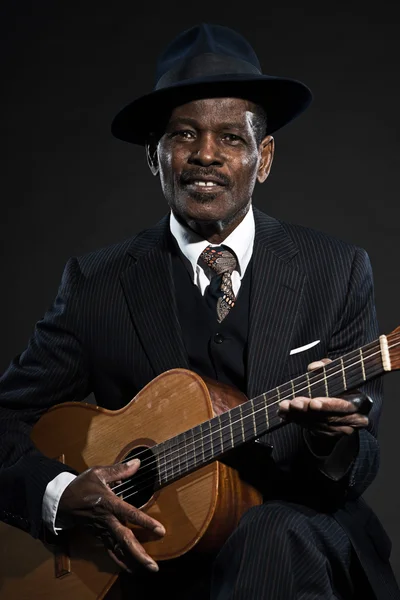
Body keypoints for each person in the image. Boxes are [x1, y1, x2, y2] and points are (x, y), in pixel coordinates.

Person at [0, 22, 399, 600]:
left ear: (263, 159)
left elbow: (359, 462)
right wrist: (59, 491)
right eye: (184, 135)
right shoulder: (98, 283)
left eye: (231, 138)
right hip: (147, 566)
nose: (205, 155)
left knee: (273, 532)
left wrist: (328, 440)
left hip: (298, 545)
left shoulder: (334, 270)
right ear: (153, 157)